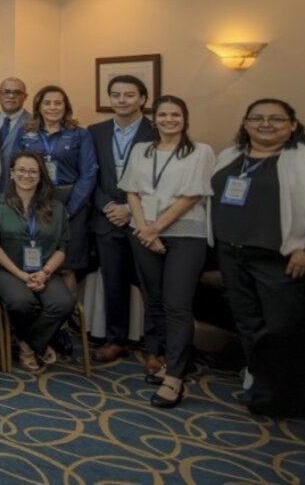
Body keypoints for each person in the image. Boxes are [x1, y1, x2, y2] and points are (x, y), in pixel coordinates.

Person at [207, 98, 305, 419]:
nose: (265, 124)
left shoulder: (302, 160)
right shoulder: (230, 156)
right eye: (257, 118)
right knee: (248, 324)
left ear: (292, 125)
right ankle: (262, 391)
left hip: (279, 257)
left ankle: (289, 396)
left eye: (276, 119)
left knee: (281, 328)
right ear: (246, 123)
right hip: (231, 252)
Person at [120, 96, 213, 408]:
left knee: (177, 304)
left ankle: (175, 374)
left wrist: (155, 228)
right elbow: (131, 191)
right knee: (155, 301)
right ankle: (160, 360)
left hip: (185, 234)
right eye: (163, 115)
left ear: (184, 119)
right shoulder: (141, 150)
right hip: (143, 232)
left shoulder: (200, 152)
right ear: (154, 118)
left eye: (175, 114)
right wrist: (145, 230)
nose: (169, 120)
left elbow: (192, 196)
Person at [0, 153, 74, 372]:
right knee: (20, 301)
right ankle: (37, 343)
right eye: (21, 170)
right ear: (12, 173)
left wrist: (45, 272)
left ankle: (28, 344)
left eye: (33, 171)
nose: (27, 175)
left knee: (62, 303)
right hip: (5, 268)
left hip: (44, 269)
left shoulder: (56, 207)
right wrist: (21, 275)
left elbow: (62, 247)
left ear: (41, 175)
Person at [87, 75, 155, 364]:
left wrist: (129, 207)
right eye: (116, 95)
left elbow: (161, 181)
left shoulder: (157, 131)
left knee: (151, 283)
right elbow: (90, 174)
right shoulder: (95, 131)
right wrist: (107, 206)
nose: (122, 100)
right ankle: (116, 339)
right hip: (106, 217)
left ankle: (155, 346)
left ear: (142, 98)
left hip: (144, 219)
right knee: (113, 282)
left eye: (129, 95)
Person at [17, 85, 97, 293]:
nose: (53, 107)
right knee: (37, 259)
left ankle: (69, 321)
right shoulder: (26, 133)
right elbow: (15, 167)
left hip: (71, 200)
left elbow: (88, 174)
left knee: (67, 266)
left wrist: (71, 208)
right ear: (38, 106)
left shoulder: (80, 134)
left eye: (58, 103)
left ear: (66, 106)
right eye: (47, 103)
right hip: (35, 200)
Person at [0, 77, 31, 191]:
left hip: (20, 190)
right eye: (6, 92)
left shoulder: (34, 124)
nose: (11, 96)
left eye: (17, 92)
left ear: (25, 97)